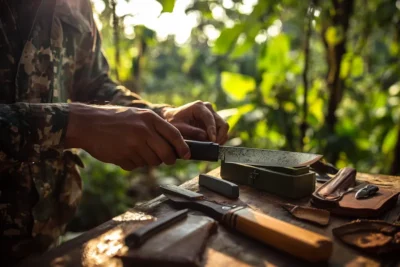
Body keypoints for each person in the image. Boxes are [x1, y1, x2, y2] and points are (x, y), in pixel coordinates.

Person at [0, 0, 229, 264]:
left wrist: (160, 115)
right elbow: (81, 118)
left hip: (46, 237)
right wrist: (73, 124)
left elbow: (96, 85)